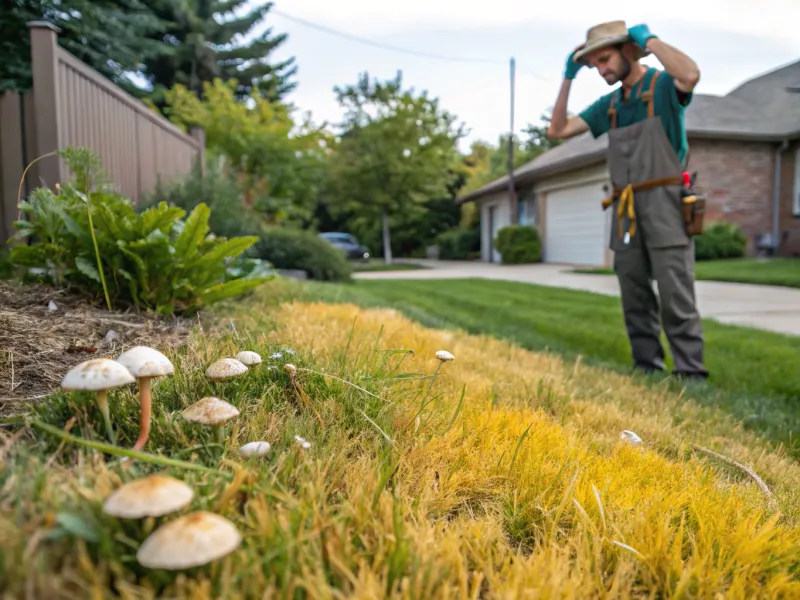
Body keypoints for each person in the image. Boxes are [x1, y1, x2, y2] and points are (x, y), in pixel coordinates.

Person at [546, 20, 709, 381]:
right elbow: (557, 130)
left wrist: (649, 40)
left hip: (666, 201)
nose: (601, 69)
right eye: (594, 65)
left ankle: (690, 372)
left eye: (605, 59)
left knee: (674, 290)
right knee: (632, 290)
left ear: (628, 50)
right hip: (625, 206)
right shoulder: (611, 104)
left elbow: (690, 75)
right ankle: (646, 366)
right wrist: (568, 77)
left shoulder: (663, 86)